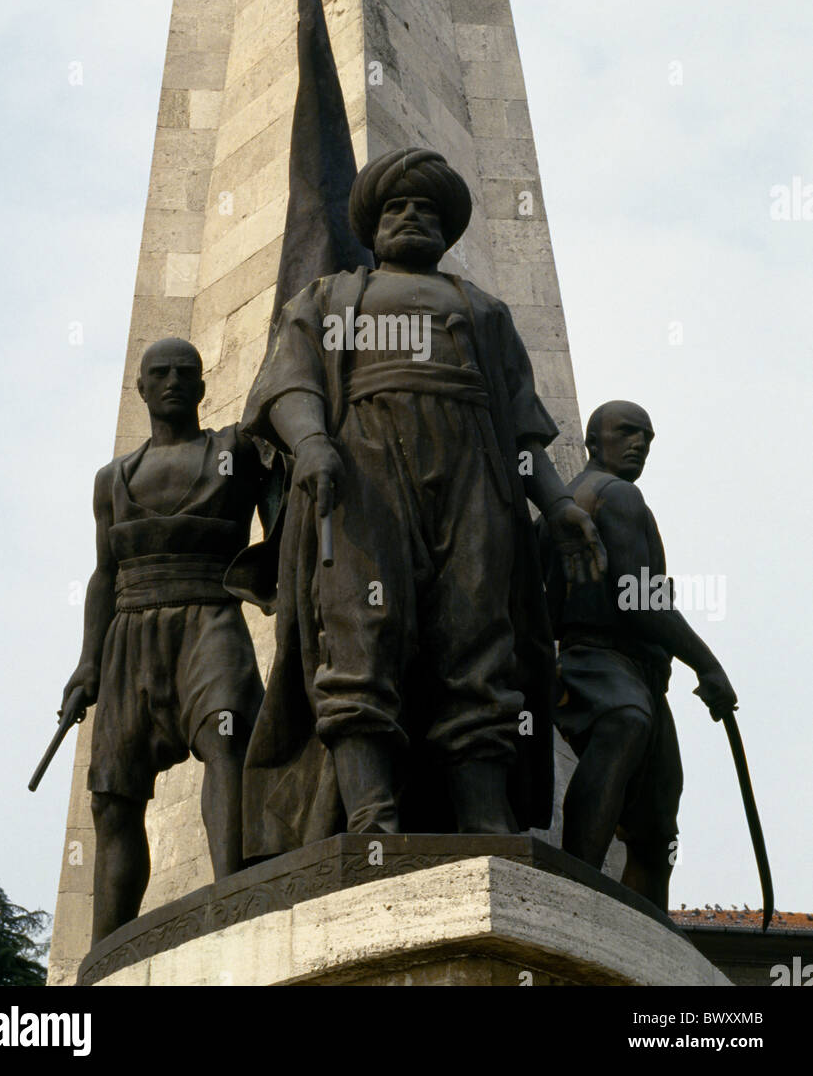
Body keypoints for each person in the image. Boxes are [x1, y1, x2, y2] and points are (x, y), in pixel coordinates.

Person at [235, 147, 605, 856]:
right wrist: (311, 442)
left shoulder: (482, 310)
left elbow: (523, 424)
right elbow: (289, 384)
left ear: (447, 234)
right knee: (358, 637)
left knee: (477, 640)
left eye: (427, 213)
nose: (411, 219)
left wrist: (555, 503)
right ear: (372, 228)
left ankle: (484, 820)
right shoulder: (329, 298)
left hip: (474, 484)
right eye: (397, 209)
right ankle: (371, 815)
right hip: (361, 480)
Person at [61, 338, 268, 943]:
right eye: (161, 373)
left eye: (187, 372)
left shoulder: (235, 452)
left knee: (227, 739)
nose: (174, 381)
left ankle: (234, 897)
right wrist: (86, 667)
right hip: (132, 630)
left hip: (211, 615)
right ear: (142, 389)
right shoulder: (112, 479)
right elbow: (104, 574)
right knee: (113, 796)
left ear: (204, 386)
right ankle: (104, 950)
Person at [542, 399, 737, 911]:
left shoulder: (562, 501)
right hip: (603, 660)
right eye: (628, 432)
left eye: (647, 438)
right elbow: (639, 599)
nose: (639, 444)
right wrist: (708, 663)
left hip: (631, 668)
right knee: (624, 722)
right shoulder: (617, 496)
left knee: (655, 826)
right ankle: (578, 883)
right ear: (592, 440)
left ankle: (646, 929)